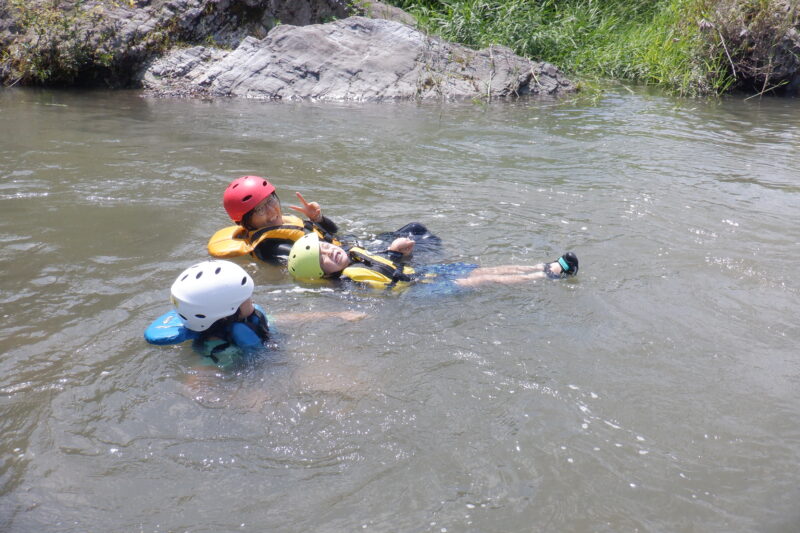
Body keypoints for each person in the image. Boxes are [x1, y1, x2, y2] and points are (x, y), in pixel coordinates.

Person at [145, 259, 365, 370]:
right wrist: (246, 399)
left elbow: (286, 319)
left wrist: (335, 315)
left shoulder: (248, 318)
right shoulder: (215, 350)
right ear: (228, 314)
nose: (253, 300)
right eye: (247, 298)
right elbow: (199, 383)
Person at [286, 233, 579, 293]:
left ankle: (542, 265)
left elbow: (387, 266)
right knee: (476, 280)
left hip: (419, 274)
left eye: (326, 247)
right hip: (415, 290)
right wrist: (394, 255)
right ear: (319, 274)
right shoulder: (347, 284)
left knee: (478, 270)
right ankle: (547, 277)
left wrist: (397, 253)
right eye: (322, 259)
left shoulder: (355, 254)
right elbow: (384, 283)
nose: (330, 253)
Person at [208, 175, 341, 264]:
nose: (271, 210)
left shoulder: (286, 224)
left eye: (271, 200)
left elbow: (334, 234)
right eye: (260, 209)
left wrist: (318, 219)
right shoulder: (269, 247)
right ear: (245, 222)